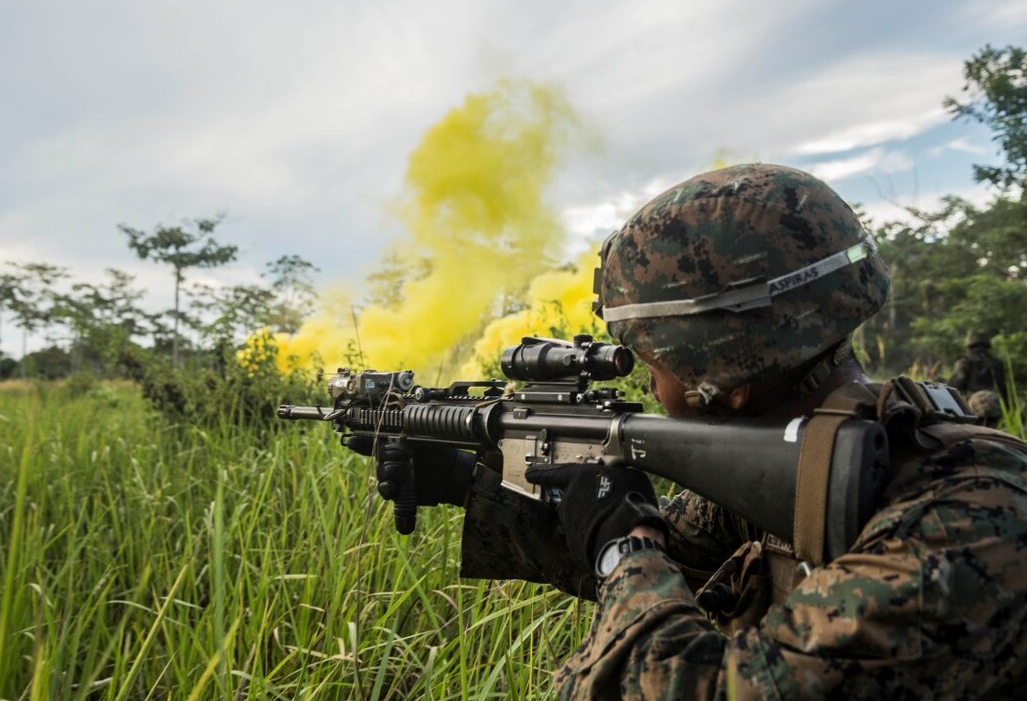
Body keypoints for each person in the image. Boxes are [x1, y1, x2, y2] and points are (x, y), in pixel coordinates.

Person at [353, 164, 1027, 698]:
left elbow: (691, 670)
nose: (648, 386)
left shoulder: (966, 522)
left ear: (721, 373)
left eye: (651, 359)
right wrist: (476, 484)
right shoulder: (818, 459)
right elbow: (670, 544)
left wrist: (626, 552)